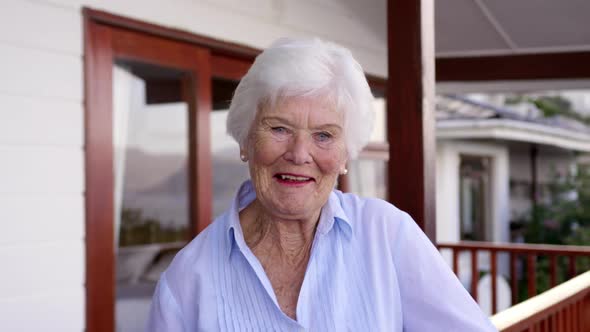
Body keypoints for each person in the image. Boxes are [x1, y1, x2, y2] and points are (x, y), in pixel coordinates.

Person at [146, 38, 497, 331]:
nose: (300, 154)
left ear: (346, 155)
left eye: (324, 135)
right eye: (279, 128)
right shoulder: (187, 281)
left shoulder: (386, 235)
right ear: (245, 140)